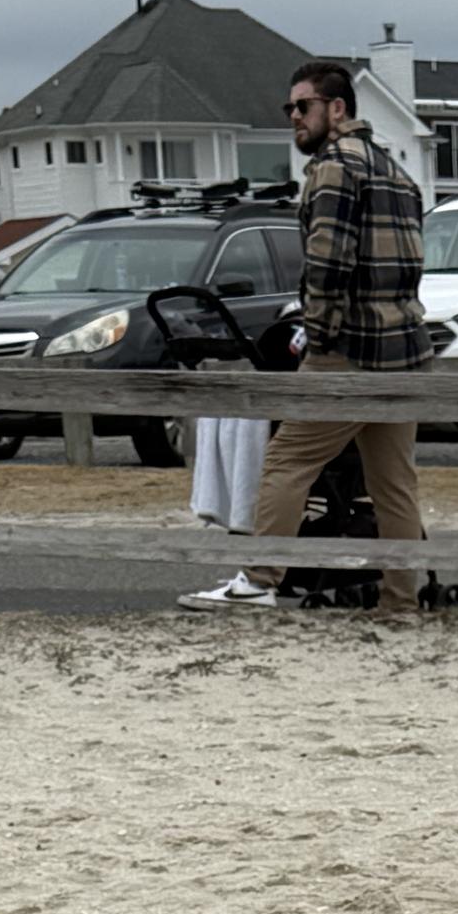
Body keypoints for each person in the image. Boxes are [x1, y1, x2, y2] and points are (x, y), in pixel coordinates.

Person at [181, 60, 430, 616]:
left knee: (288, 460)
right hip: (403, 353)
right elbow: (412, 266)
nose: (294, 116)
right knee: (393, 483)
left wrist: (317, 340)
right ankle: (401, 597)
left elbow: (327, 265)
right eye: (288, 108)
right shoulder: (396, 172)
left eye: (303, 106)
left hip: (348, 352)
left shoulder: (334, 167)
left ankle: (259, 579)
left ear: (337, 109)